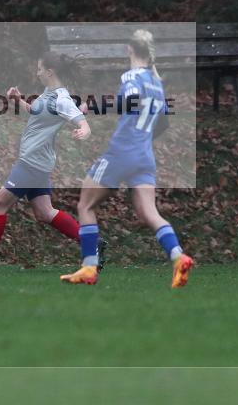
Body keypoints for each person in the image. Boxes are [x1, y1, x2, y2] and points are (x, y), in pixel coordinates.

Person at [60, 29, 194, 288]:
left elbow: (129, 101)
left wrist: (93, 107)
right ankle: (179, 257)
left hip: (122, 152)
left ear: (129, 50)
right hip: (145, 155)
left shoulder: (132, 76)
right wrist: (141, 140)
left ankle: (89, 267)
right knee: (149, 212)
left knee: (85, 206)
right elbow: (163, 122)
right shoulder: (157, 83)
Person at [0, 52, 91, 270]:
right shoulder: (48, 93)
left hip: (31, 163)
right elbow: (36, 111)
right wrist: (19, 100)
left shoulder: (61, 99)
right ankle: (92, 245)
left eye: (39, 69)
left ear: (49, 72)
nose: (37, 73)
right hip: (37, 162)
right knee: (45, 213)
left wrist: (84, 130)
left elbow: (82, 122)